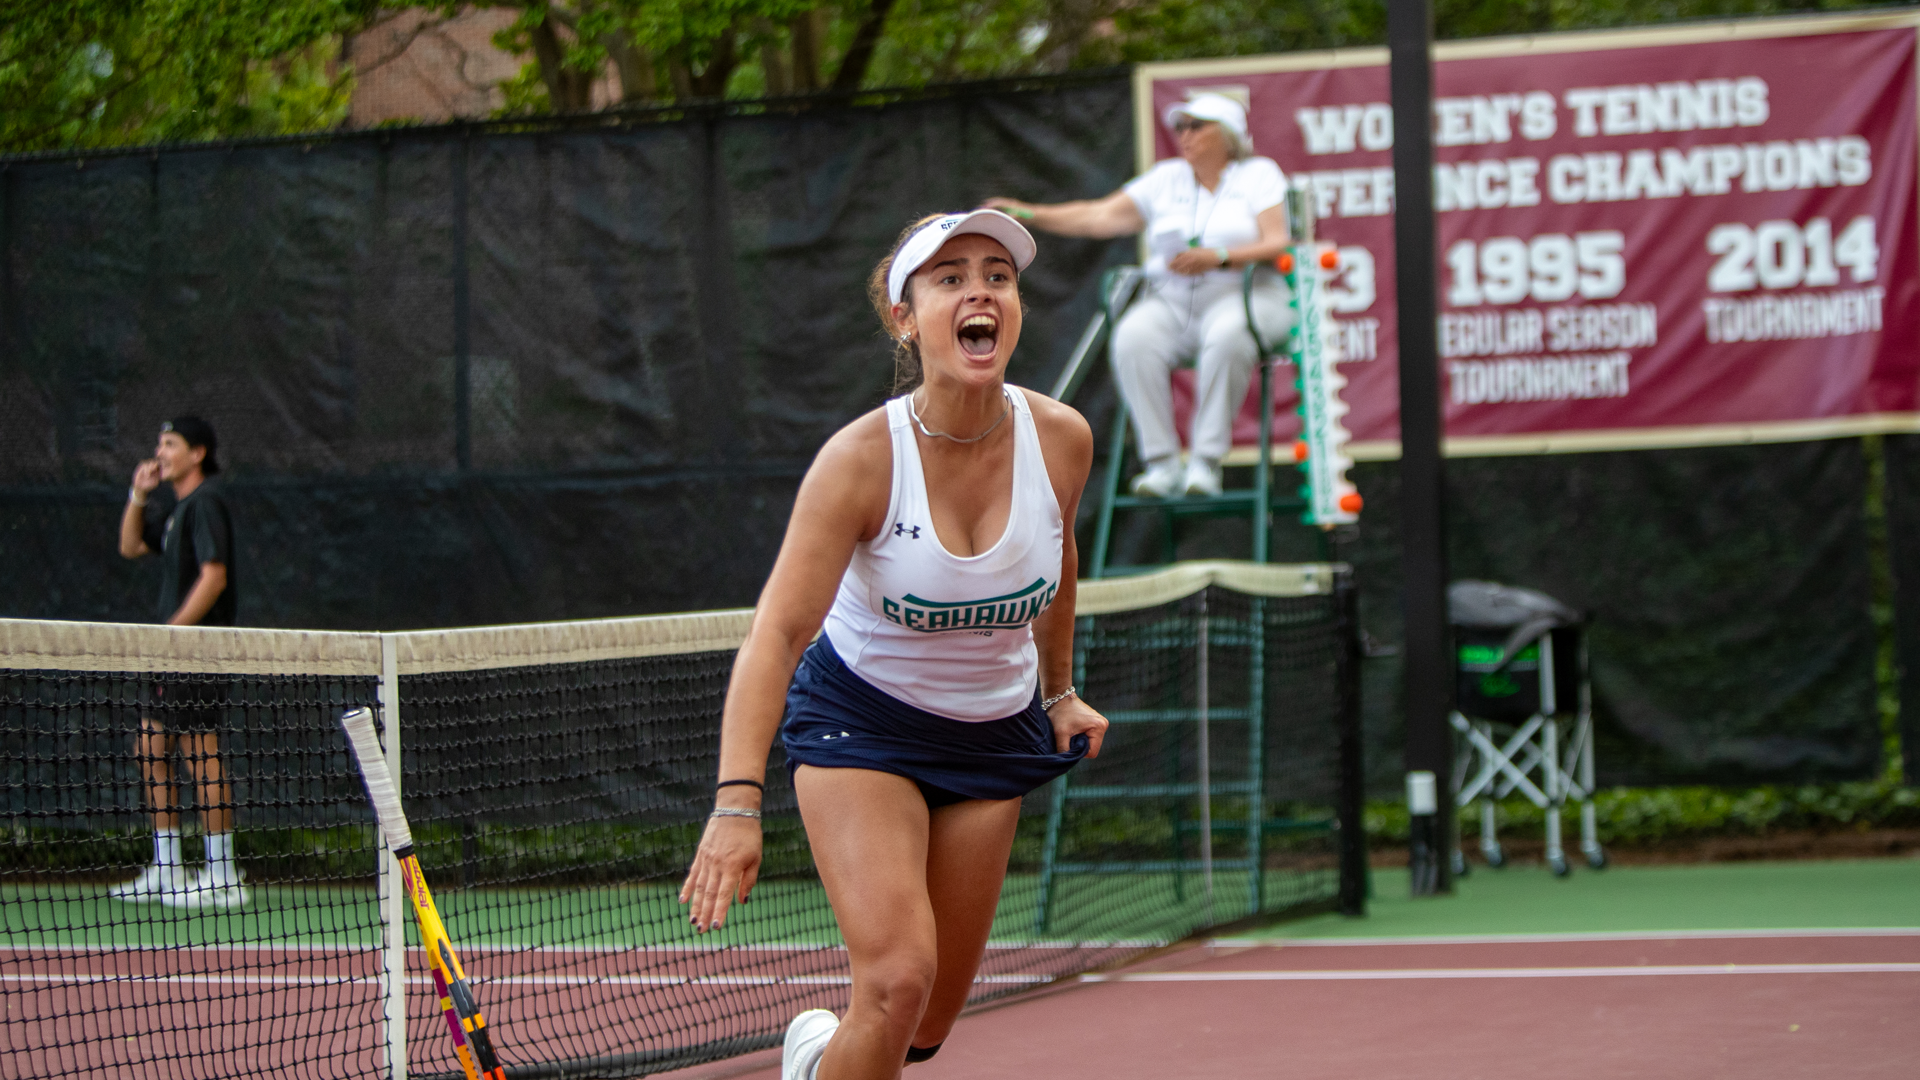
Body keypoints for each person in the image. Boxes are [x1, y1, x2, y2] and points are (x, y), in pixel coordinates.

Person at [678, 209, 1110, 1080]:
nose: (979, 290)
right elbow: (779, 633)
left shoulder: (1060, 438)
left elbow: (1059, 566)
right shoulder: (861, 460)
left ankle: (814, 1067)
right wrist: (734, 804)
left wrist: (1059, 690)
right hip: (861, 726)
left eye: (997, 275)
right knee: (896, 977)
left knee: (923, 1025)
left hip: (994, 731)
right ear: (906, 317)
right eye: (948, 279)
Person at [985, 92, 1294, 498]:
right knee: (1134, 336)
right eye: (1181, 126)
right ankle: (1162, 465)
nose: (1185, 134)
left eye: (1197, 126)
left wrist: (1219, 257)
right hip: (1175, 302)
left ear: (1228, 134)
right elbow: (1099, 216)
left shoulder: (1258, 174)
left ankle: (1205, 463)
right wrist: (1028, 213)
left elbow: (1279, 243)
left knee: (1228, 333)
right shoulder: (1166, 178)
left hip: (1250, 296)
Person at [112, 415, 246, 910]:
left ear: (198, 454)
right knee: (151, 748)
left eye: (170, 444)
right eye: (159, 442)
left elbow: (214, 578)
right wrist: (140, 495)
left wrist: (173, 635)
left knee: (199, 753)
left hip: (196, 651)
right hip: (172, 655)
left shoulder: (207, 502)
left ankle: (223, 875)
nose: (160, 452)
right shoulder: (178, 510)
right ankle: (167, 868)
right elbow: (129, 546)